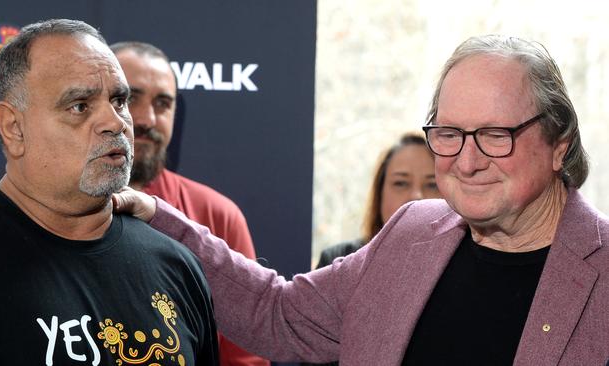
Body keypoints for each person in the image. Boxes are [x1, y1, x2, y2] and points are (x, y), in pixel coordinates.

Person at [115, 34, 609, 365]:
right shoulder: (413, 231)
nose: (467, 160)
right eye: (450, 133)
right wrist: (157, 215)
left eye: (496, 135)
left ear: (559, 144)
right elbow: (279, 315)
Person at [0, 19, 218, 365]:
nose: (116, 122)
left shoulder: (178, 264)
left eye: (118, 100)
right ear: (13, 127)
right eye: (79, 105)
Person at [110, 41, 268, 366]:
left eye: (163, 104)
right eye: (129, 99)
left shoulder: (218, 216)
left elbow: (245, 358)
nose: (147, 119)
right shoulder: (50, 209)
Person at [314, 133, 441, 269]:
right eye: (401, 183)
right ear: (380, 193)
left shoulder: (458, 265)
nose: (417, 196)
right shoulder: (337, 262)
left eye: (432, 184)